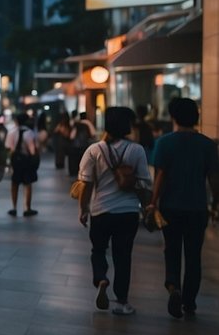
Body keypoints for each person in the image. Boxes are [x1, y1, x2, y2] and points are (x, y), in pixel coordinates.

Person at [149, 98, 219, 320]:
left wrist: (153, 201)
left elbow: (160, 175)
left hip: (170, 206)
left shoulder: (164, 143)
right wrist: (216, 203)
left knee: (171, 249)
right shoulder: (208, 145)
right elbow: (214, 179)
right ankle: (189, 301)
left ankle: (173, 287)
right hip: (197, 208)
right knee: (193, 255)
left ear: (174, 117)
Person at [77, 106, 151, 316]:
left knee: (98, 250)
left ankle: (101, 278)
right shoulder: (136, 150)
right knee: (123, 256)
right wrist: (147, 207)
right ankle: (121, 302)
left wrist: (83, 209)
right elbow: (145, 184)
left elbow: (86, 184)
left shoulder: (94, 150)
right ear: (127, 126)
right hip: (128, 213)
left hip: (101, 211)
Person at [6, 113, 40, 217]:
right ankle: (27, 208)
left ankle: (14, 207)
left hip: (15, 161)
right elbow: (33, 150)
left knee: (14, 184)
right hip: (26, 161)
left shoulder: (11, 132)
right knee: (27, 184)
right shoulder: (29, 133)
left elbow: (8, 148)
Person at [67, 111, 95, 177]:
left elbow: (72, 136)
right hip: (84, 147)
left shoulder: (76, 124)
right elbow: (93, 134)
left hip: (75, 147)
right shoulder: (88, 124)